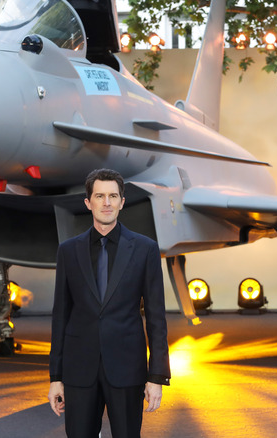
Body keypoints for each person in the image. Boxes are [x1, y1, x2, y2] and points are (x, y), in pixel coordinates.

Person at [48, 168, 171, 437]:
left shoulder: (145, 249)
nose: (106, 203)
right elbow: (61, 316)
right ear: (88, 203)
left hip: (128, 369)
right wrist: (56, 377)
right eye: (100, 196)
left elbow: (156, 317)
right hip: (79, 371)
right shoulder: (68, 251)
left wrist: (156, 377)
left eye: (113, 196)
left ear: (122, 202)